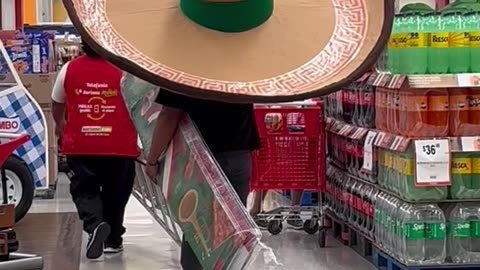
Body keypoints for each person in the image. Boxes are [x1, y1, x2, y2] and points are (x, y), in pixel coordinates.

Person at [145, 90, 260, 270]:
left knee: (199, 229)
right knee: (232, 231)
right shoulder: (241, 66)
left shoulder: (186, 69)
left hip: (201, 155)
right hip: (239, 153)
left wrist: (152, 159)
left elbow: (169, 115)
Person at [51, 41, 139, 259]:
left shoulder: (69, 69)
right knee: (116, 192)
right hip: (119, 144)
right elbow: (139, 103)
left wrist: (59, 124)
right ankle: (112, 239)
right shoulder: (126, 70)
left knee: (84, 189)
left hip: (81, 144)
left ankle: (95, 224)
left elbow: (56, 102)